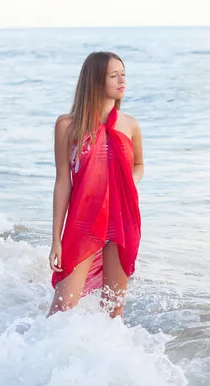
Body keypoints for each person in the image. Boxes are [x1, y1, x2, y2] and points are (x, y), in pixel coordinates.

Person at [47, 51, 143, 319]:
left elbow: (139, 166)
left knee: (114, 312)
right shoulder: (67, 126)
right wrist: (56, 239)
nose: (122, 81)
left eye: (123, 74)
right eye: (114, 76)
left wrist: (126, 185)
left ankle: (109, 359)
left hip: (122, 220)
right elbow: (63, 181)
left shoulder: (130, 125)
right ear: (95, 81)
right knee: (61, 310)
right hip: (85, 221)